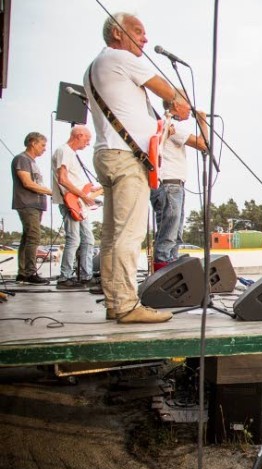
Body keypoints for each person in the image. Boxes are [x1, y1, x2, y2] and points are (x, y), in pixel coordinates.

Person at [85, 12, 189, 323]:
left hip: (107, 154)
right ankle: (128, 305)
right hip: (126, 159)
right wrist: (180, 102)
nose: (145, 39)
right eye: (138, 32)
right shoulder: (120, 57)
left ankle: (115, 302)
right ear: (117, 34)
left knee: (111, 237)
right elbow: (168, 92)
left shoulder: (96, 65)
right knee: (129, 236)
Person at [151, 94, 208, 271]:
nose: (190, 108)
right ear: (176, 105)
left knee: (174, 233)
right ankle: (162, 270)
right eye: (186, 104)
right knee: (169, 233)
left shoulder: (168, 126)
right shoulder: (171, 126)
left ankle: (170, 269)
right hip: (170, 184)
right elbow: (203, 144)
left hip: (171, 185)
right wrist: (202, 121)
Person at [52, 126, 101, 288]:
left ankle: (86, 275)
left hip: (78, 202)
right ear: (78, 135)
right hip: (71, 202)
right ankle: (65, 277)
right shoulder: (64, 151)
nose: (87, 144)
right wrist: (84, 196)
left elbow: (73, 180)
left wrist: (91, 189)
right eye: (87, 140)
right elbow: (63, 179)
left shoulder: (71, 154)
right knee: (74, 239)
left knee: (88, 239)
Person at [11, 132, 53, 285]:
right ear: (33, 143)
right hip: (27, 204)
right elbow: (27, 183)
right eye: (42, 145)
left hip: (35, 205)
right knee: (34, 237)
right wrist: (50, 191)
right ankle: (29, 273)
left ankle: (23, 273)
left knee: (27, 238)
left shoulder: (31, 162)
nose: (44, 149)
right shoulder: (22, 159)